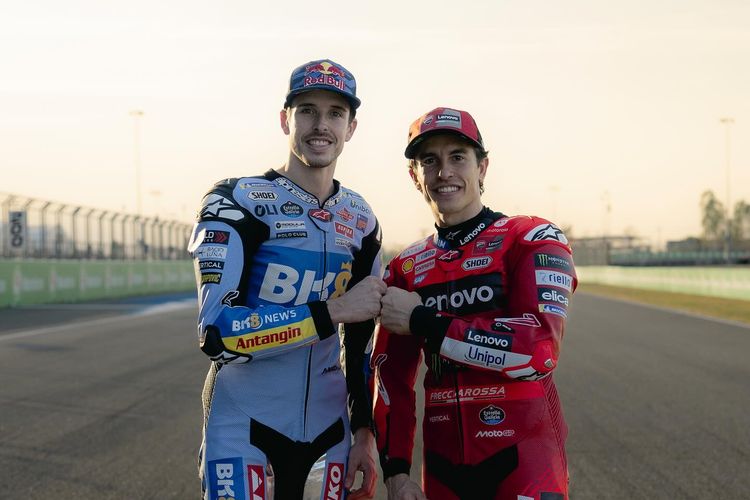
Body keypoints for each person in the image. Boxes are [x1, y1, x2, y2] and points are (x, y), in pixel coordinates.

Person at [187, 58, 385, 500]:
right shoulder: (235, 200)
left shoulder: (362, 218)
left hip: (330, 432)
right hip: (244, 426)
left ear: (351, 127)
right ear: (285, 120)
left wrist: (364, 432)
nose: (321, 125)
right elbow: (217, 334)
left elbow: (360, 344)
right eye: (307, 111)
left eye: (335, 113)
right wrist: (331, 311)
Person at [371, 107, 577, 499]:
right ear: (415, 176)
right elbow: (391, 377)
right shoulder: (405, 267)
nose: (444, 172)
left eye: (458, 157)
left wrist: (423, 321)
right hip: (443, 467)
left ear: (482, 168)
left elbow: (537, 353)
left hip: (523, 458)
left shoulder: (529, 237)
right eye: (429, 161)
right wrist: (396, 471)